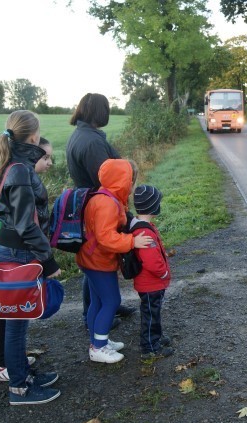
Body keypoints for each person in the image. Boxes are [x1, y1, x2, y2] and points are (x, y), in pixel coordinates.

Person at [0, 111, 61, 405]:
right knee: (17, 321)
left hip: (17, 249)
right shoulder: (19, 168)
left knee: (17, 319)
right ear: (33, 136)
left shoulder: (19, 164)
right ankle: (19, 387)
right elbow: (25, 223)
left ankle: (23, 374)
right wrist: (48, 260)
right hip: (19, 252)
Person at [66, 93, 136, 327]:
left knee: (93, 262)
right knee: (96, 262)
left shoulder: (81, 134)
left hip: (90, 204)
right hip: (100, 207)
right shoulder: (92, 141)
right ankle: (95, 314)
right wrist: (121, 209)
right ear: (100, 112)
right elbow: (108, 178)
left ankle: (107, 306)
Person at [76, 159, 153, 363]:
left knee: (98, 301)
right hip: (99, 262)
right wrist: (132, 241)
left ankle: (98, 340)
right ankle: (99, 347)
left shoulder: (105, 196)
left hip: (91, 258)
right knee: (111, 301)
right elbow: (105, 237)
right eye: (130, 180)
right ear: (123, 181)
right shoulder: (108, 203)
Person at [131, 185, 174, 358]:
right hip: (151, 283)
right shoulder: (144, 232)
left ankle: (155, 337)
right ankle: (150, 347)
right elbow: (152, 261)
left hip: (151, 283)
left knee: (153, 312)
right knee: (150, 314)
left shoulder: (142, 226)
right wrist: (164, 273)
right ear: (153, 207)